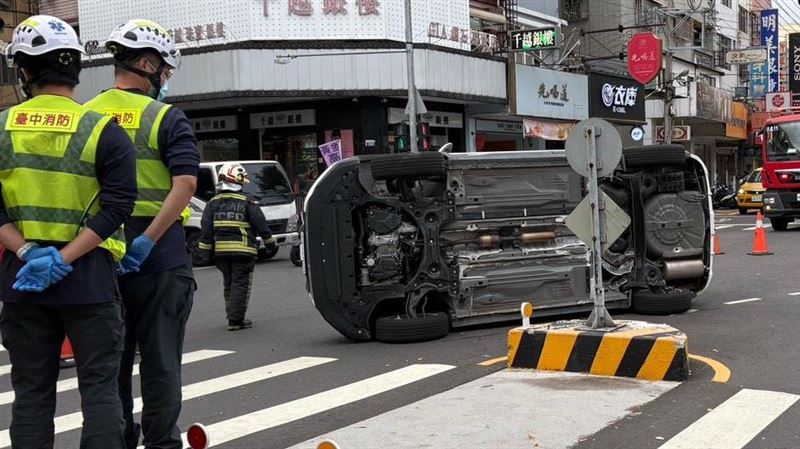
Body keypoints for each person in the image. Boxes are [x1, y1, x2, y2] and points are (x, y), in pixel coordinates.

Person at [0, 15, 137, 449]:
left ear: (23, 70)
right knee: (99, 390)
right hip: (89, 278)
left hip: (23, 280)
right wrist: (65, 258)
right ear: (75, 67)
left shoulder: (1, 128)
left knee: (31, 394)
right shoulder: (103, 130)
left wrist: (28, 252)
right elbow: (118, 207)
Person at [84, 19, 199, 449]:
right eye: (164, 71)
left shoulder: (86, 116)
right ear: (148, 64)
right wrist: (148, 239)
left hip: (100, 251)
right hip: (160, 255)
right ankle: (162, 443)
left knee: (110, 365)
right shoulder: (165, 117)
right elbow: (185, 185)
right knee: (161, 362)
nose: (165, 80)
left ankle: (118, 440)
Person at [197, 163, 276, 330]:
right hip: (244, 251)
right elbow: (261, 225)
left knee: (229, 283)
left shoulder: (212, 203)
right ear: (239, 181)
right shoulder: (248, 201)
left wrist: (204, 252)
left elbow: (206, 229)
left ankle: (232, 315)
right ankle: (236, 319)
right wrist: (270, 244)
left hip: (221, 253)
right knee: (240, 284)